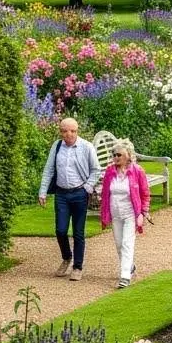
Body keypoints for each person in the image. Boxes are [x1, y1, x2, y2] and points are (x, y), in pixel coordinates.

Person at [37, 117, 101, 281]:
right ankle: (67, 257)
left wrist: (87, 187)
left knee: (78, 232)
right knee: (60, 230)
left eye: (72, 131)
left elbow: (95, 170)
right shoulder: (57, 146)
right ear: (61, 132)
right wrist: (42, 191)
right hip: (62, 194)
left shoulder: (86, 147)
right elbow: (49, 169)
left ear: (77, 131)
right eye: (65, 131)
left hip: (80, 193)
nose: (68, 134)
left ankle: (77, 267)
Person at [99, 139, 151, 289]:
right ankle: (130, 266)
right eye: (114, 155)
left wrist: (144, 211)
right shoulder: (110, 172)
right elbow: (105, 193)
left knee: (127, 243)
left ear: (128, 155)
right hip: (116, 213)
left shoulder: (137, 171)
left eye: (119, 155)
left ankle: (125, 276)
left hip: (130, 213)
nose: (116, 157)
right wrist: (104, 211)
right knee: (119, 244)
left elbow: (145, 193)